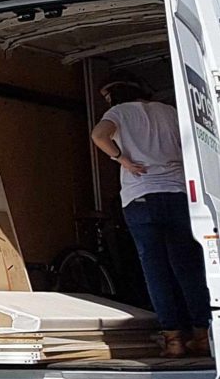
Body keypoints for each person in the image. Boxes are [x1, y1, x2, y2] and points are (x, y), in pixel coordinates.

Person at [90, 75, 212, 357]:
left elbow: (98, 135)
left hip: (141, 197)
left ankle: (173, 340)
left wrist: (120, 158)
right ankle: (203, 335)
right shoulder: (169, 111)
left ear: (116, 96)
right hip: (178, 195)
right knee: (188, 267)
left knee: (155, 271)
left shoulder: (118, 113)